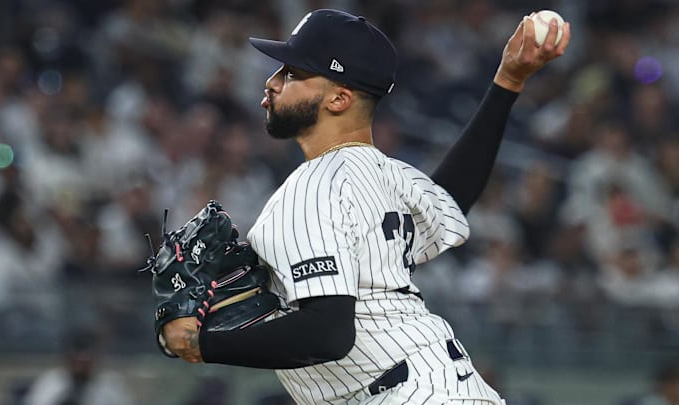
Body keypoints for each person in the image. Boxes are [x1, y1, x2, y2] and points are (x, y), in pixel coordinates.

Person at [160, 8, 570, 404]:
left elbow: (327, 334)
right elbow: (449, 197)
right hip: (443, 386)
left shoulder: (313, 188)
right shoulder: (385, 174)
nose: (271, 82)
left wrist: (201, 344)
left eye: (292, 73)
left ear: (339, 99)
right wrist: (507, 81)